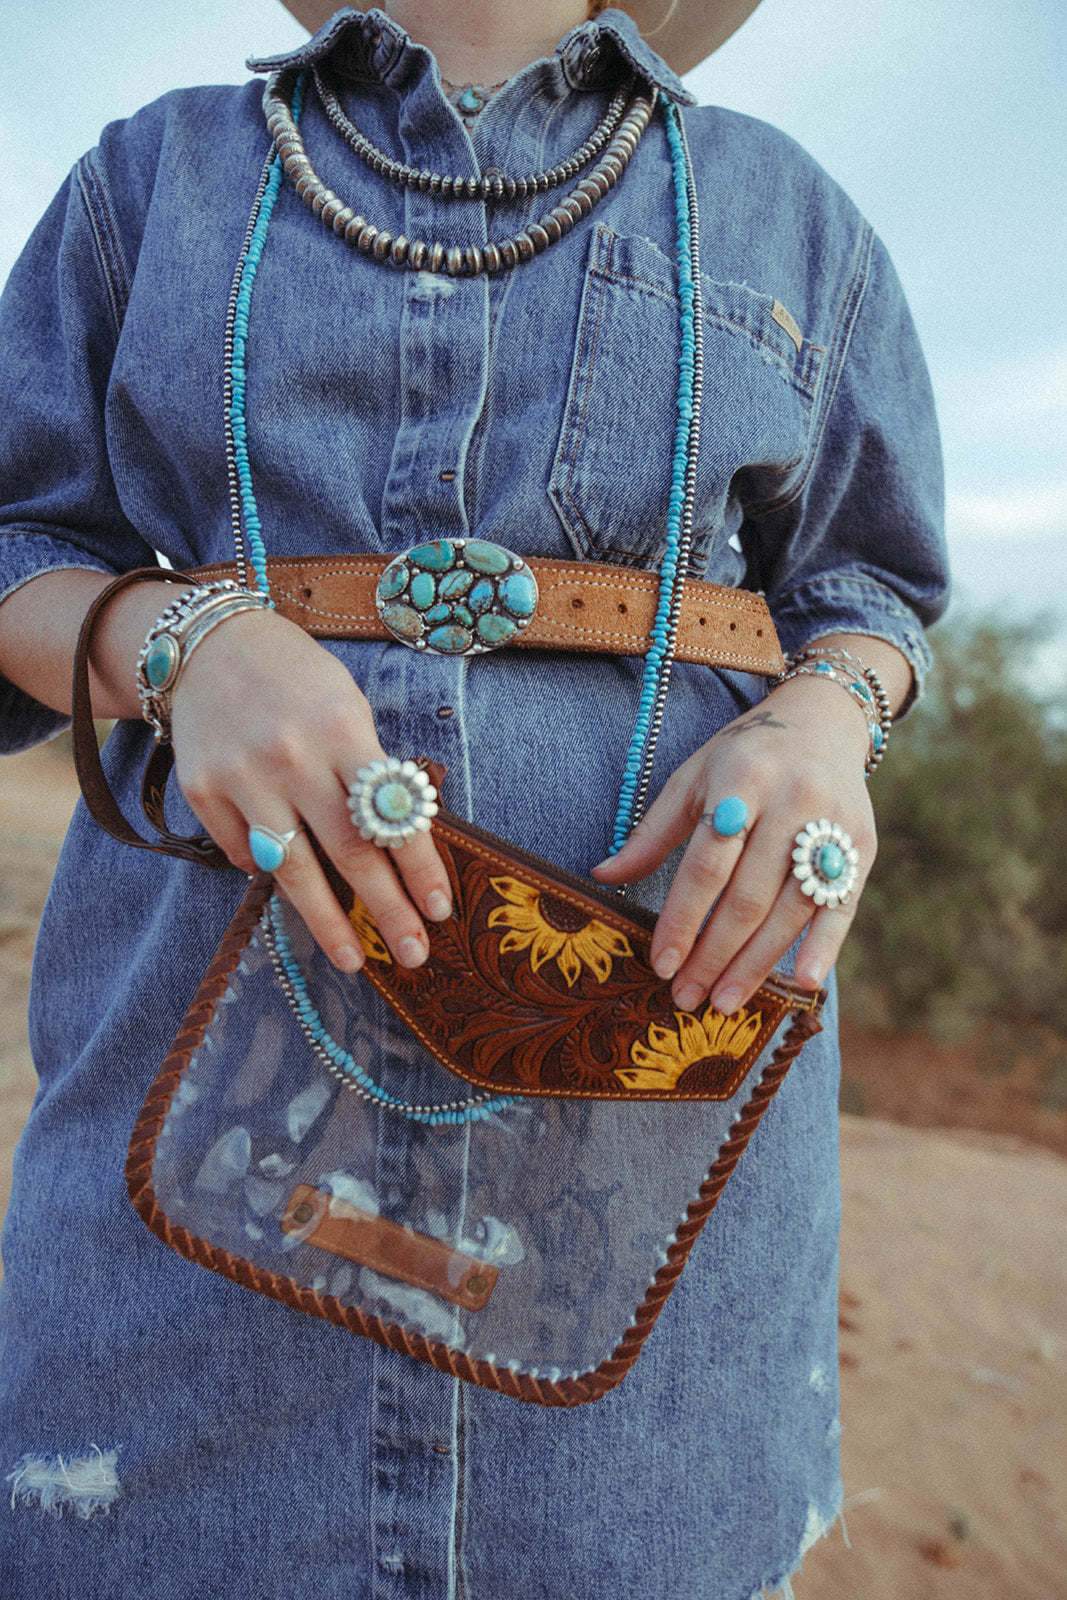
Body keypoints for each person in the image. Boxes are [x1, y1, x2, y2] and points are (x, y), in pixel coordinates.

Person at [0, 2, 946, 1594]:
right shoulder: (150, 177)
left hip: (648, 1150)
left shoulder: (792, 210)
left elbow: (877, 597)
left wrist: (827, 717)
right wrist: (177, 637)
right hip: (187, 1120)